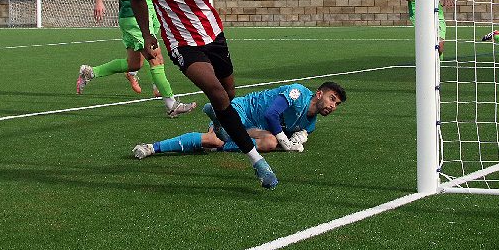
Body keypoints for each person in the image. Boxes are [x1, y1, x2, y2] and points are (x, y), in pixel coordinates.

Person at [124, 0, 279, 189]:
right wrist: (147, 34)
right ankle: (257, 161)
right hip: (179, 41)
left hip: (212, 32)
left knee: (228, 94)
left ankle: (218, 115)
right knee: (217, 92)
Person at [76, 0, 195, 118]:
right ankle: (171, 104)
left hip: (148, 14)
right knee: (155, 58)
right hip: (132, 17)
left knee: (134, 65)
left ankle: (90, 72)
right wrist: (99, 2)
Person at [132, 81, 346, 159]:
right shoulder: (298, 93)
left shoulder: (310, 123)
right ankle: (153, 147)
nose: (332, 106)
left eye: (336, 104)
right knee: (273, 140)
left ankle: (222, 141)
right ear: (319, 94)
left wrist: (299, 138)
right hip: (243, 110)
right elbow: (272, 114)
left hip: (252, 129)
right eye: (331, 99)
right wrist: (286, 142)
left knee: (213, 141)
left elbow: (295, 133)